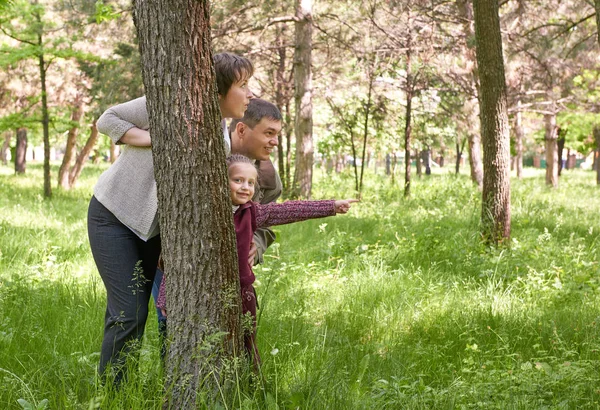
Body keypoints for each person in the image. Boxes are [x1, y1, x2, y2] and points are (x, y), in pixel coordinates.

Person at [88, 52, 254, 383]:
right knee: (129, 313)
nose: (250, 93)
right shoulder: (167, 105)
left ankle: (160, 388)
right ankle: (113, 394)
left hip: (157, 233)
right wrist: (155, 139)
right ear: (218, 88)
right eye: (244, 84)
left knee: (153, 312)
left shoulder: (219, 139)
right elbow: (107, 119)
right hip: (114, 215)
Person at [156, 154, 358, 366]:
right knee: (208, 345)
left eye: (251, 183)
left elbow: (290, 210)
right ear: (219, 180)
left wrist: (332, 206)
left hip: (243, 293)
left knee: (247, 343)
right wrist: (165, 295)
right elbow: (177, 259)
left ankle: (251, 387)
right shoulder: (204, 213)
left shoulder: (252, 212)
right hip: (205, 293)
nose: (245, 187)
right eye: (238, 180)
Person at [152, 98, 284, 342]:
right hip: (176, 255)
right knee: (171, 318)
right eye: (269, 133)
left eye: (277, 134)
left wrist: (256, 245)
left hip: (228, 267)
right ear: (242, 129)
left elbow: (267, 223)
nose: (275, 141)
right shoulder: (205, 152)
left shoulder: (267, 178)